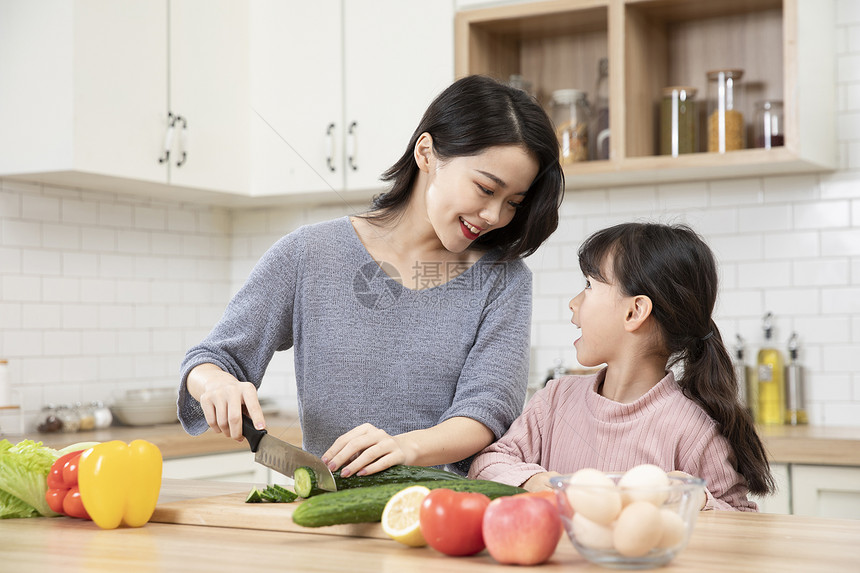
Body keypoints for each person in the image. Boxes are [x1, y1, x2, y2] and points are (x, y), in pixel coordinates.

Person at [177, 75, 565, 477]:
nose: (495, 216)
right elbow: (212, 358)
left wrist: (403, 447)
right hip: (331, 517)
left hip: (446, 520)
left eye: (513, 203)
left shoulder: (503, 279)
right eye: (486, 189)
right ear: (427, 154)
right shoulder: (309, 253)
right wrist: (215, 385)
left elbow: (487, 412)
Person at [468, 222, 775, 511]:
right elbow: (487, 464)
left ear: (634, 311)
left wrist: (697, 500)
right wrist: (538, 482)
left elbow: (742, 520)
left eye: (588, 285)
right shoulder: (556, 399)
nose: (573, 303)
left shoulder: (693, 431)